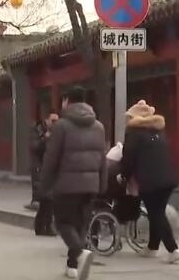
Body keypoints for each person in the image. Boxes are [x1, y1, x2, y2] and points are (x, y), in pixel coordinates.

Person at [41, 86, 107, 280]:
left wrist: (44, 186)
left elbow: (51, 158)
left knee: (63, 222)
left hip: (67, 185)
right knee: (80, 225)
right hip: (91, 185)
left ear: (67, 101)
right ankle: (72, 266)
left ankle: (79, 252)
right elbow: (102, 159)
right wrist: (102, 185)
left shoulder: (62, 126)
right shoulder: (99, 126)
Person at [119, 100, 179, 263]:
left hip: (150, 180)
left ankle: (173, 249)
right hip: (168, 178)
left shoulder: (134, 132)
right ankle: (152, 247)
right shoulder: (158, 131)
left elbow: (128, 158)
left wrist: (123, 175)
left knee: (156, 214)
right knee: (157, 212)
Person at [31, 111, 59, 236]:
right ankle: (45, 226)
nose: (55, 123)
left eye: (57, 121)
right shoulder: (37, 131)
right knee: (47, 199)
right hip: (40, 168)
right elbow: (35, 147)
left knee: (47, 200)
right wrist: (45, 138)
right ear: (46, 120)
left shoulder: (57, 132)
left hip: (51, 169)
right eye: (53, 121)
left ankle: (42, 226)